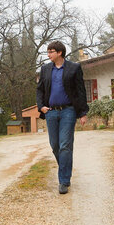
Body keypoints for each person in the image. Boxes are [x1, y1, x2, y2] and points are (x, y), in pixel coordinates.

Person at [36, 41, 88, 194]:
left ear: (59, 52)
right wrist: (41, 107)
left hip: (68, 111)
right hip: (51, 112)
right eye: (48, 52)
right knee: (55, 145)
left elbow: (81, 91)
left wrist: (83, 112)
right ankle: (65, 168)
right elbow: (39, 91)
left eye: (51, 51)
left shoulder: (74, 68)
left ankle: (64, 181)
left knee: (65, 145)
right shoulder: (45, 69)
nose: (48, 55)